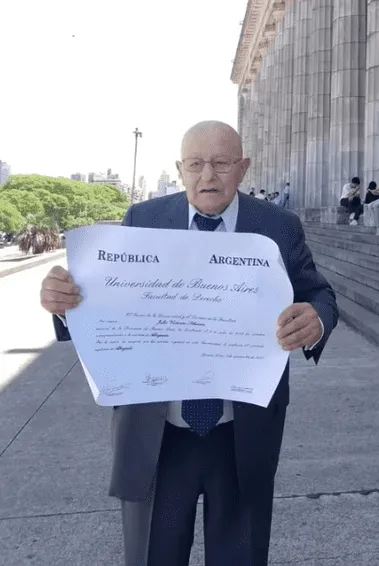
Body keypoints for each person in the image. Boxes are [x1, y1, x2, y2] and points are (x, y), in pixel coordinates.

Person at [39, 121, 339, 566]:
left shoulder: (277, 226)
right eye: (195, 164)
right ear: (180, 169)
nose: (208, 177)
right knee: (154, 556)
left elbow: (320, 293)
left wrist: (316, 319)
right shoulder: (143, 220)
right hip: (158, 433)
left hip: (242, 430)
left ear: (243, 167)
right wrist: (63, 304)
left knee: (240, 557)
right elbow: (103, 302)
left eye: (221, 163)